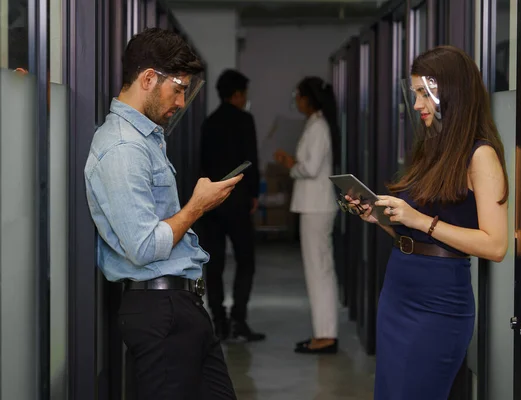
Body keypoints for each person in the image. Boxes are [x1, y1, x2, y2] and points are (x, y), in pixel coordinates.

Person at [85, 28, 241, 399]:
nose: (182, 101)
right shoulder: (123, 148)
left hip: (179, 307)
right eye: (179, 88)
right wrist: (197, 207)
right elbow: (142, 246)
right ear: (148, 79)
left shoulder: (145, 139)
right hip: (160, 312)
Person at [345, 45, 509, 399]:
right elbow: (413, 230)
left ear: (450, 92)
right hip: (399, 289)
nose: (417, 104)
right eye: (415, 92)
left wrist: (420, 221)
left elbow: (495, 245)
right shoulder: (432, 148)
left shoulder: (481, 156)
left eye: (424, 93)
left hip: (438, 300)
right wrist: (378, 216)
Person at [274, 76, 341, 354]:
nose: (297, 102)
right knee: (318, 271)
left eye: (299, 96)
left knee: (319, 272)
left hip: (316, 206)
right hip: (314, 204)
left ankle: (325, 335)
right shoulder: (316, 124)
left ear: (308, 99)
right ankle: (323, 332)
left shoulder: (318, 126)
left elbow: (311, 168)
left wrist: (291, 163)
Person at [197, 69, 264, 342]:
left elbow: (201, 162)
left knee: (214, 264)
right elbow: (252, 159)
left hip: (211, 202)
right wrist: (253, 194)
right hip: (237, 201)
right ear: (237, 94)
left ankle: (219, 321)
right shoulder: (244, 120)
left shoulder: (209, 122)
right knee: (245, 260)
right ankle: (239, 320)